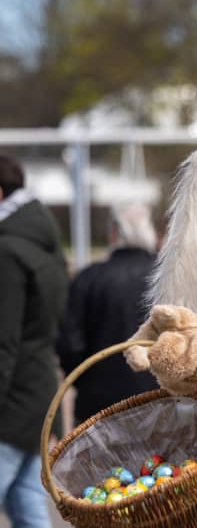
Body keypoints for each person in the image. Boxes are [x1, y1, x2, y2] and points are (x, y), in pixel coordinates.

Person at [0, 154, 68, 527]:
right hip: (40, 394)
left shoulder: (7, 251)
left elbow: (3, 342)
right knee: (28, 506)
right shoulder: (45, 244)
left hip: (10, 406)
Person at [56, 203, 160, 424]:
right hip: (160, 403)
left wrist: (84, 382)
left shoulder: (89, 279)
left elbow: (69, 344)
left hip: (98, 407)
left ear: (114, 233)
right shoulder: (165, 279)